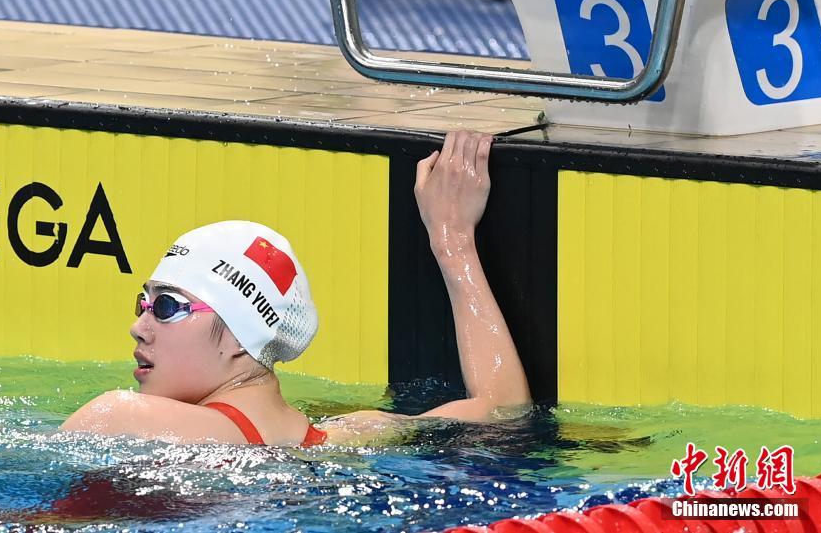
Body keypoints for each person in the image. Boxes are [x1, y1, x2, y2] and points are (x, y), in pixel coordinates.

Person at [60, 130, 532, 446]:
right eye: (142, 303)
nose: (137, 327)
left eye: (166, 306)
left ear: (237, 337)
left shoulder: (120, 420)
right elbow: (503, 409)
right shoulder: (345, 439)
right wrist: (453, 242)